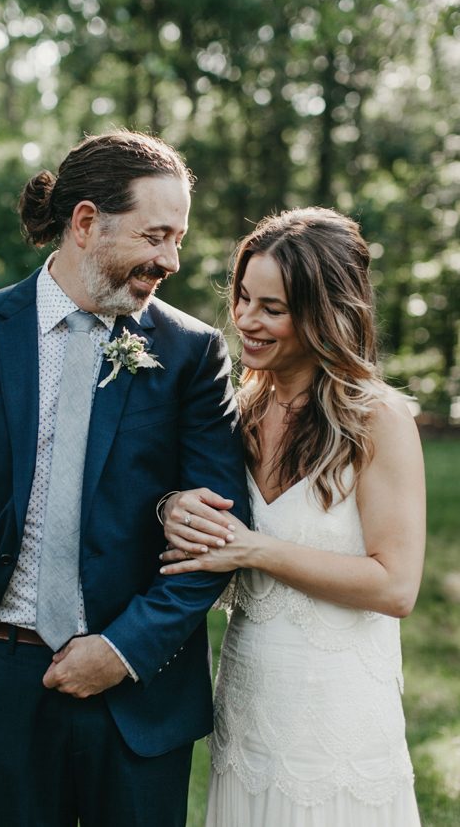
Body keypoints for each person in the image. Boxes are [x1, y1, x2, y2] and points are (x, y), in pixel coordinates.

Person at [0, 130, 250, 827]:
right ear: (85, 223)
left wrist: (122, 649)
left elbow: (220, 535)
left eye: (178, 239)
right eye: (156, 236)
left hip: (138, 694)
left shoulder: (192, 353)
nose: (171, 259)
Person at [159, 207, 425, 826]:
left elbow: (396, 586)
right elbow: (206, 534)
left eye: (271, 308)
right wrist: (174, 509)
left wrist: (254, 550)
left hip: (339, 714)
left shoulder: (376, 421)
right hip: (251, 698)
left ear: (324, 314)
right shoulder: (237, 413)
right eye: (243, 298)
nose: (246, 320)